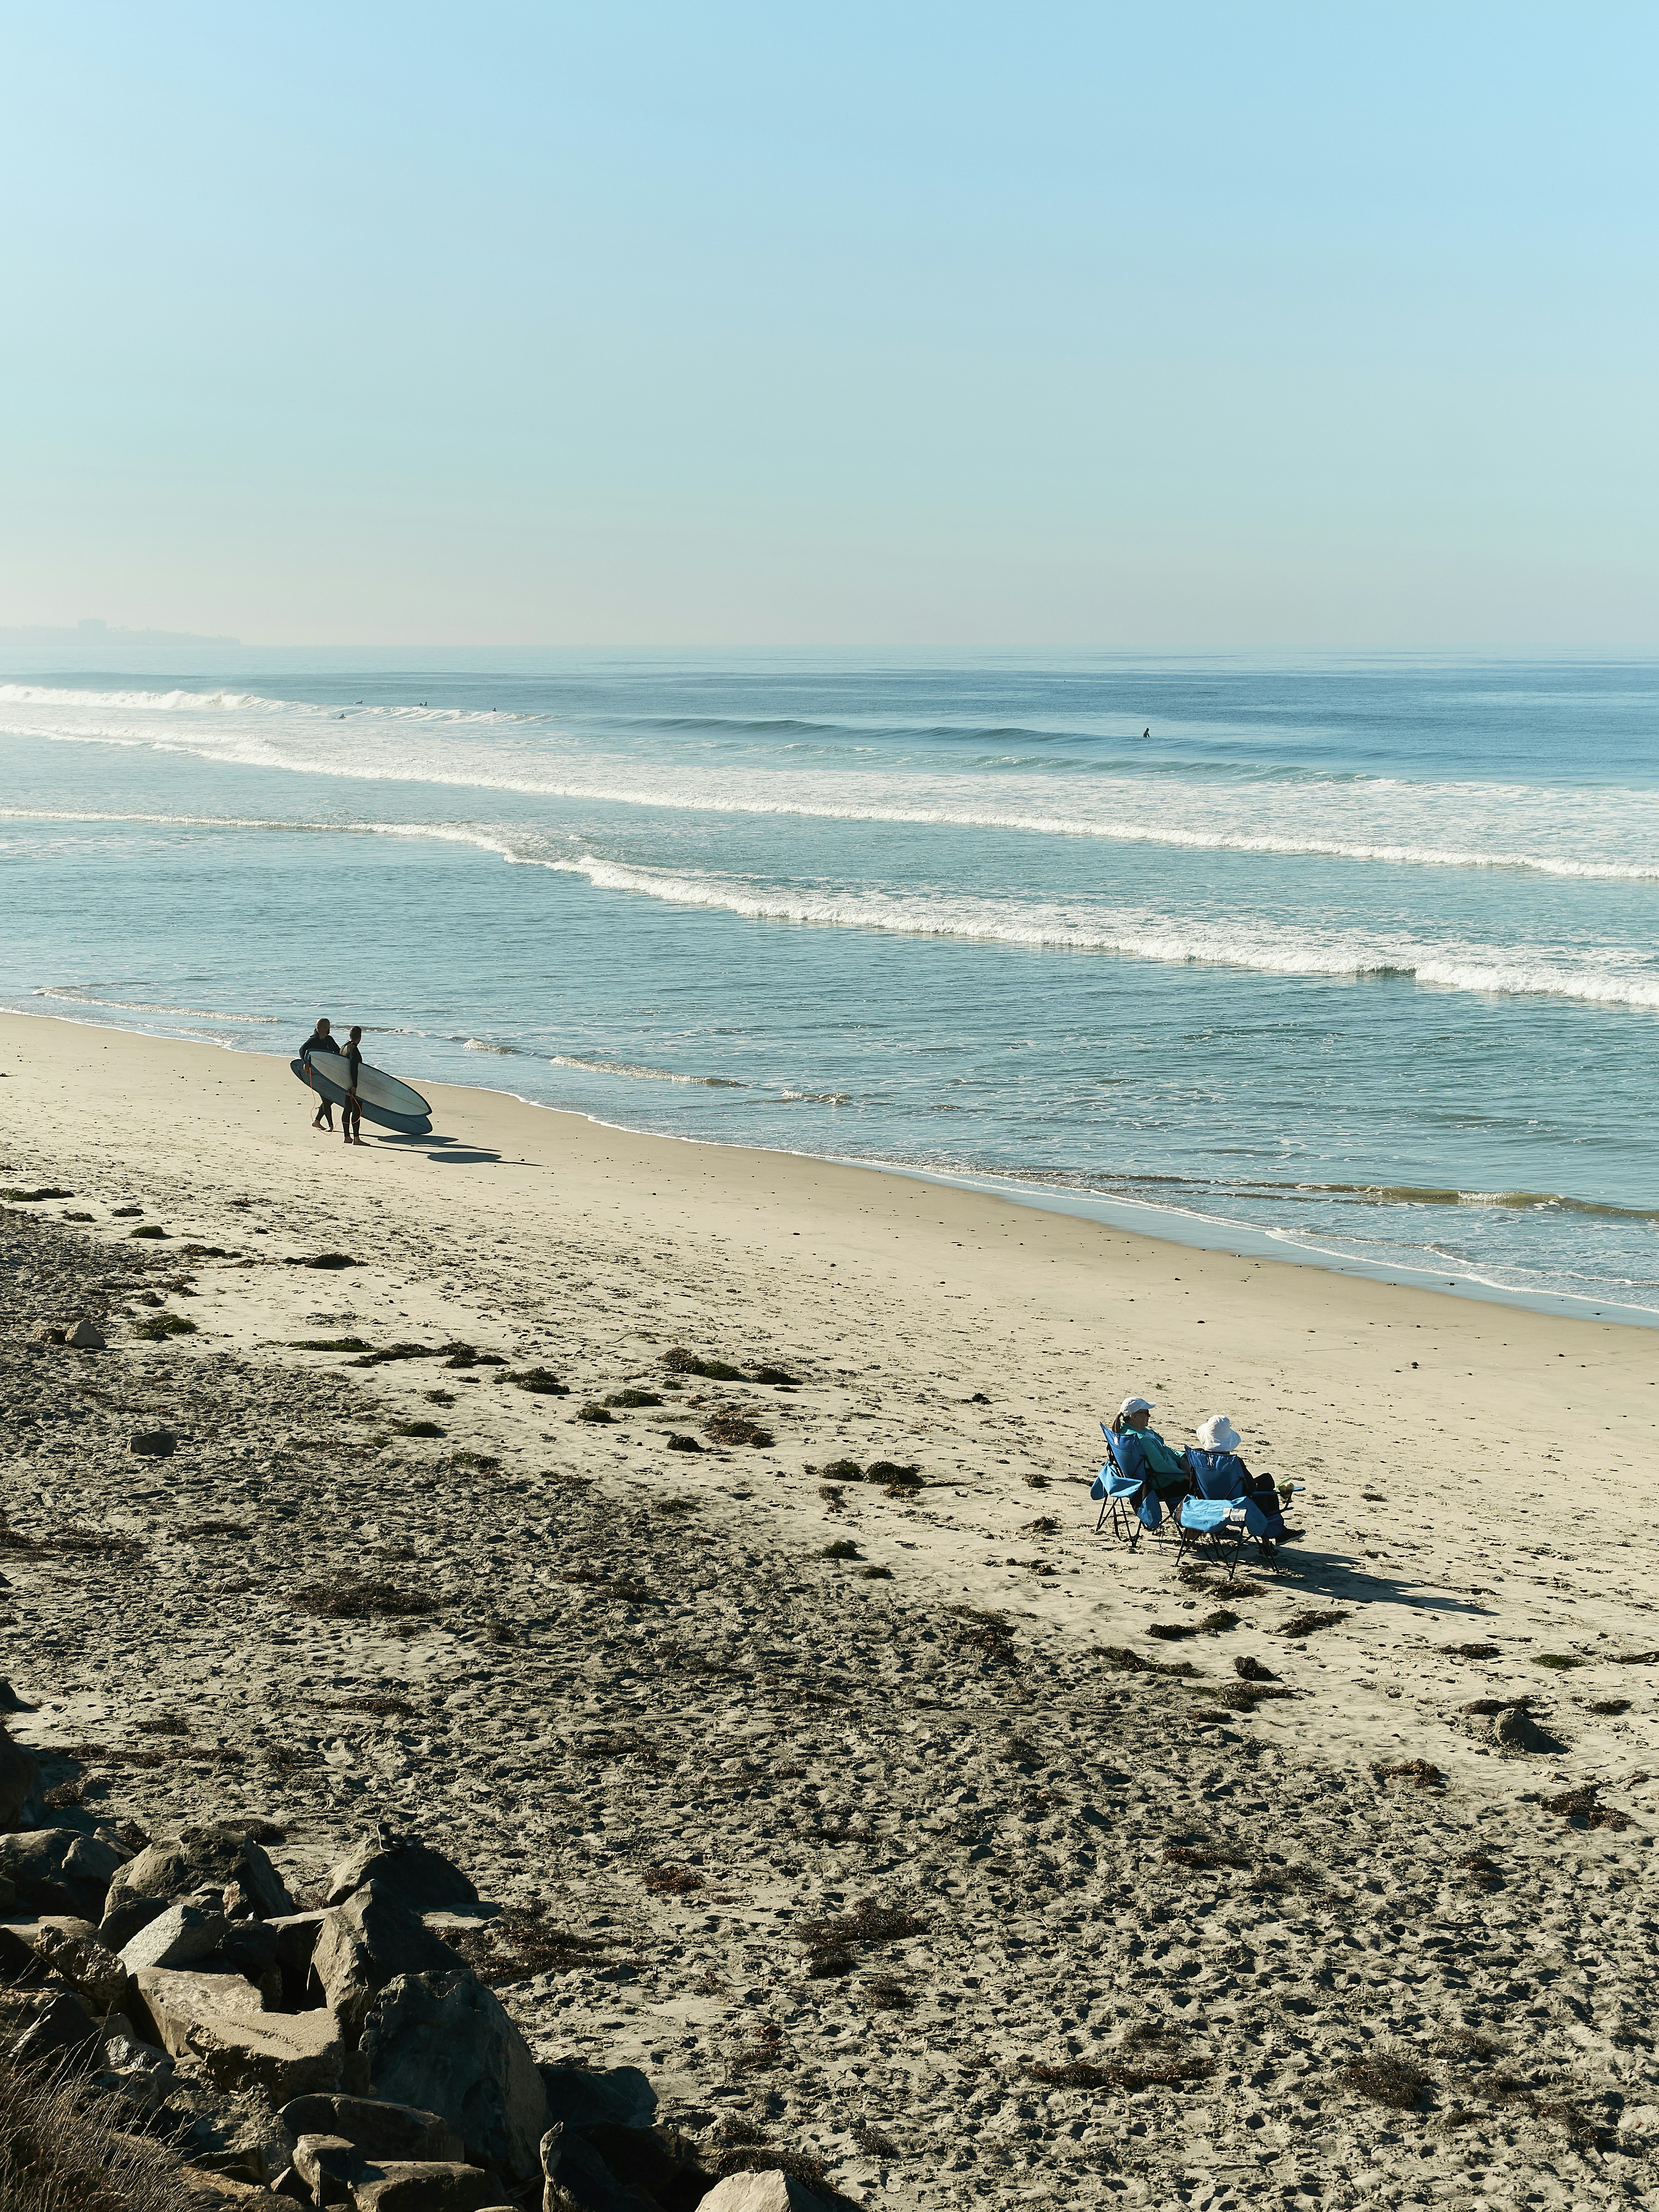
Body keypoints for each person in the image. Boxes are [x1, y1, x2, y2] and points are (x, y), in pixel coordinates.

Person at [1187, 1414, 1292, 1555]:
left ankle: (1275, 1534)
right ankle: (1277, 1533)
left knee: (1260, 1485)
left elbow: (1194, 1485)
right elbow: (1250, 1488)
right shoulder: (1233, 1463)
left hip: (1210, 1507)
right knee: (1266, 1482)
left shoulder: (1197, 1458)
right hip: (1238, 1512)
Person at [1107, 1396, 1192, 1511]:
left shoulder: (1129, 1432)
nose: (1149, 1416)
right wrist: (1183, 1475)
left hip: (1155, 1478)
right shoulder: (1141, 1439)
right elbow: (1161, 1466)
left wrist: (1182, 1459)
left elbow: (1166, 1449)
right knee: (1202, 1484)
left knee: (1193, 1458)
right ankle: (1193, 1522)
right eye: (1146, 1413)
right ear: (1135, 1416)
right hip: (1162, 1483)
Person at [299, 1017, 341, 1131]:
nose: (329, 1028)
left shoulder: (329, 1040)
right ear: (323, 1028)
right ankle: (331, 1126)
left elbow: (338, 1053)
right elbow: (302, 1051)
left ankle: (317, 1121)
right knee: (327, 1100)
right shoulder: (313, 1041)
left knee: (330, 1099)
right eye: (328, 1026)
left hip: (327, 1074)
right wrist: (305, 1063)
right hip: (316, 1075)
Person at [341, 1025, 366, 1147]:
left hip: (345, 1084)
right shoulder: (353, 1049)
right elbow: (354, 1068)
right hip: (352, 1085)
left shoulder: (343, 1047)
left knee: (347, 1109)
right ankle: (357, 1139)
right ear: (360, 1037)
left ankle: (347, 1137)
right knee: (357, 1110)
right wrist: (355, 1086)